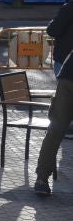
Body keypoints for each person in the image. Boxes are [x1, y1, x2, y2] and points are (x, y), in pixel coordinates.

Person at [34, 52, 73, 195]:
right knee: (55, 130)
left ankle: (41, 179)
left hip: (68, 76)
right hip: (69, 78)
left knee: (55, 130)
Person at [46, 0, 73, 78]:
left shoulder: (68, 8)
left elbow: (52, 30)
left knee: (63, 88)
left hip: (65, 56)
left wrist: (52, 22)